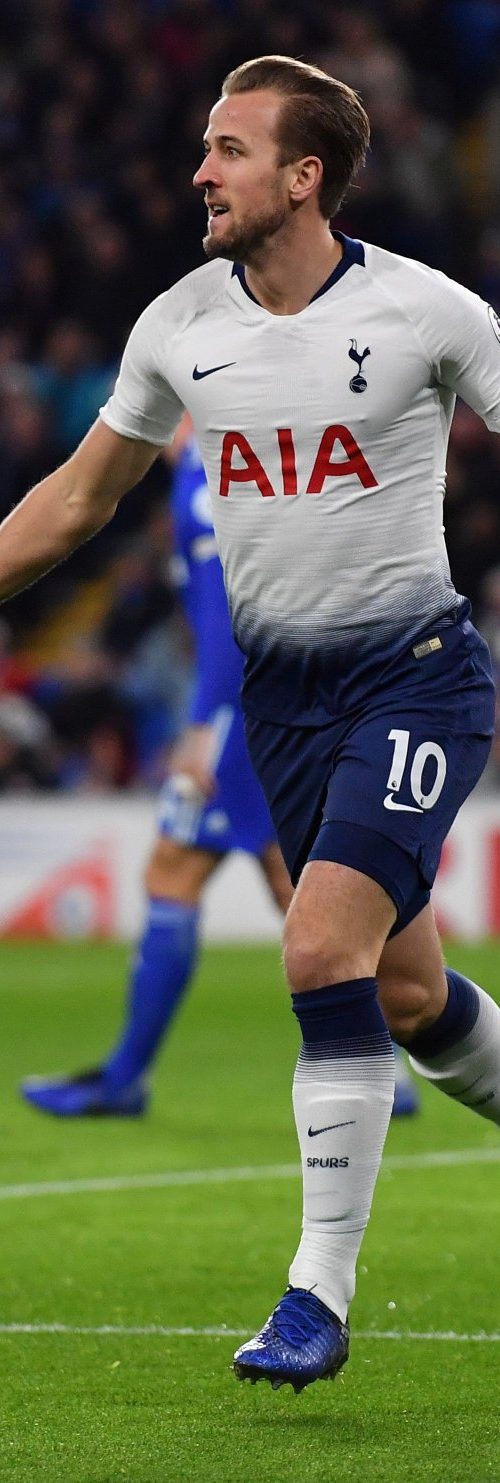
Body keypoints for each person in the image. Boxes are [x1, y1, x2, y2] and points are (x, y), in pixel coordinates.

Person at [0, 54, 497, 1393]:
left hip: (415, 679)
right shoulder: (178, 323)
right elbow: (74, 502)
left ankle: (314, 1295)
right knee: (406, 996)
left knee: (318, 945)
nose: (201, 171)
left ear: (303, 176)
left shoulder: (425, 311)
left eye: (229, 149)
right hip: (282, 702)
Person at [20, 425, 292, 1115]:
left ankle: (123, 1079)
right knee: (293, 880)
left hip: (243, 705)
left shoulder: (211, 467)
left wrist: (204, 721)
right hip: (267, 697)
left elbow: (232, 612)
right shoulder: (217, 461)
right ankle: (383, 1060)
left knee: (181, 868)